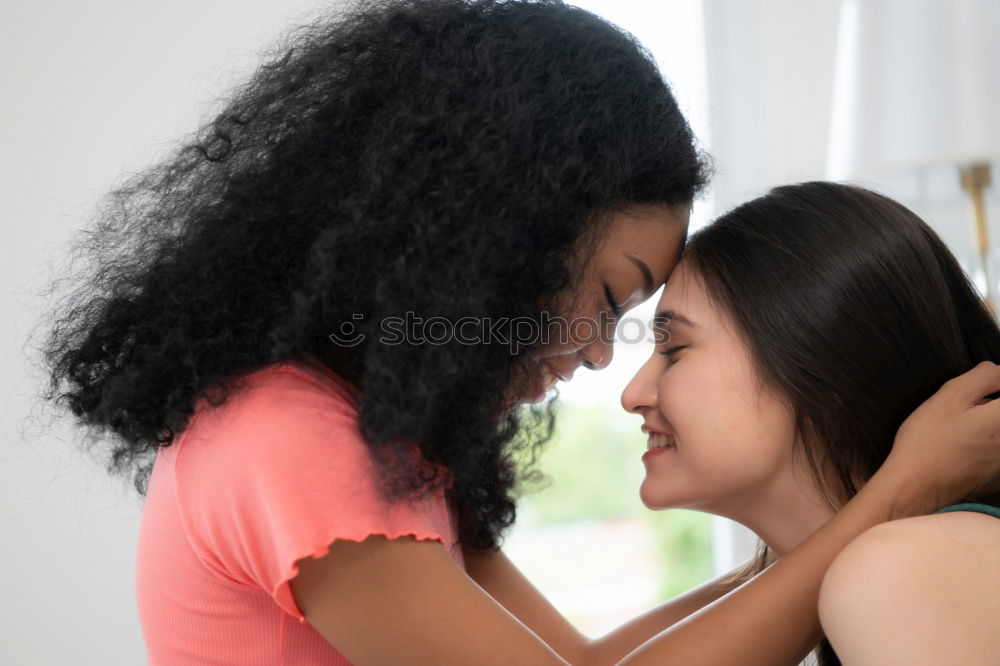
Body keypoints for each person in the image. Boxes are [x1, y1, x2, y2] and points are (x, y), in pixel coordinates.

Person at [36, 0, 1000, 664]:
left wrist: (814, 536)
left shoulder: (389, 448)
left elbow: (577, 662)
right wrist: (899, 488)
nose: (597, 358)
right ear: (496, 241)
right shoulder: (288, 440)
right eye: (614, 301)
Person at [622, 181, 1000, 665]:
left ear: (824, 366)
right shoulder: (919, 559)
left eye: (674, 351)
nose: (632, 395)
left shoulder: (903, 568)